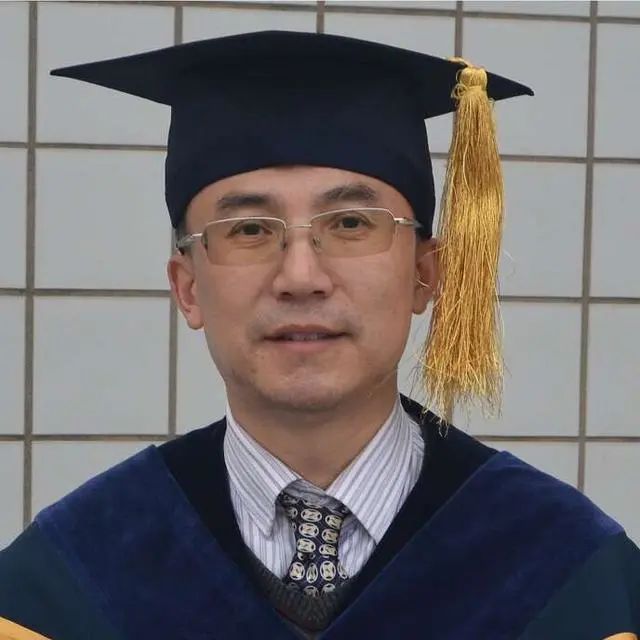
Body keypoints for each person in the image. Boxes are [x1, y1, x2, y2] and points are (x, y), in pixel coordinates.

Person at [0, 29, 638, 640]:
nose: (300, 277)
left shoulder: (570, 580)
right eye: (249, 230)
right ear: (188, 287)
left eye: (351, 224)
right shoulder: (65, 589)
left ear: (424, 275)